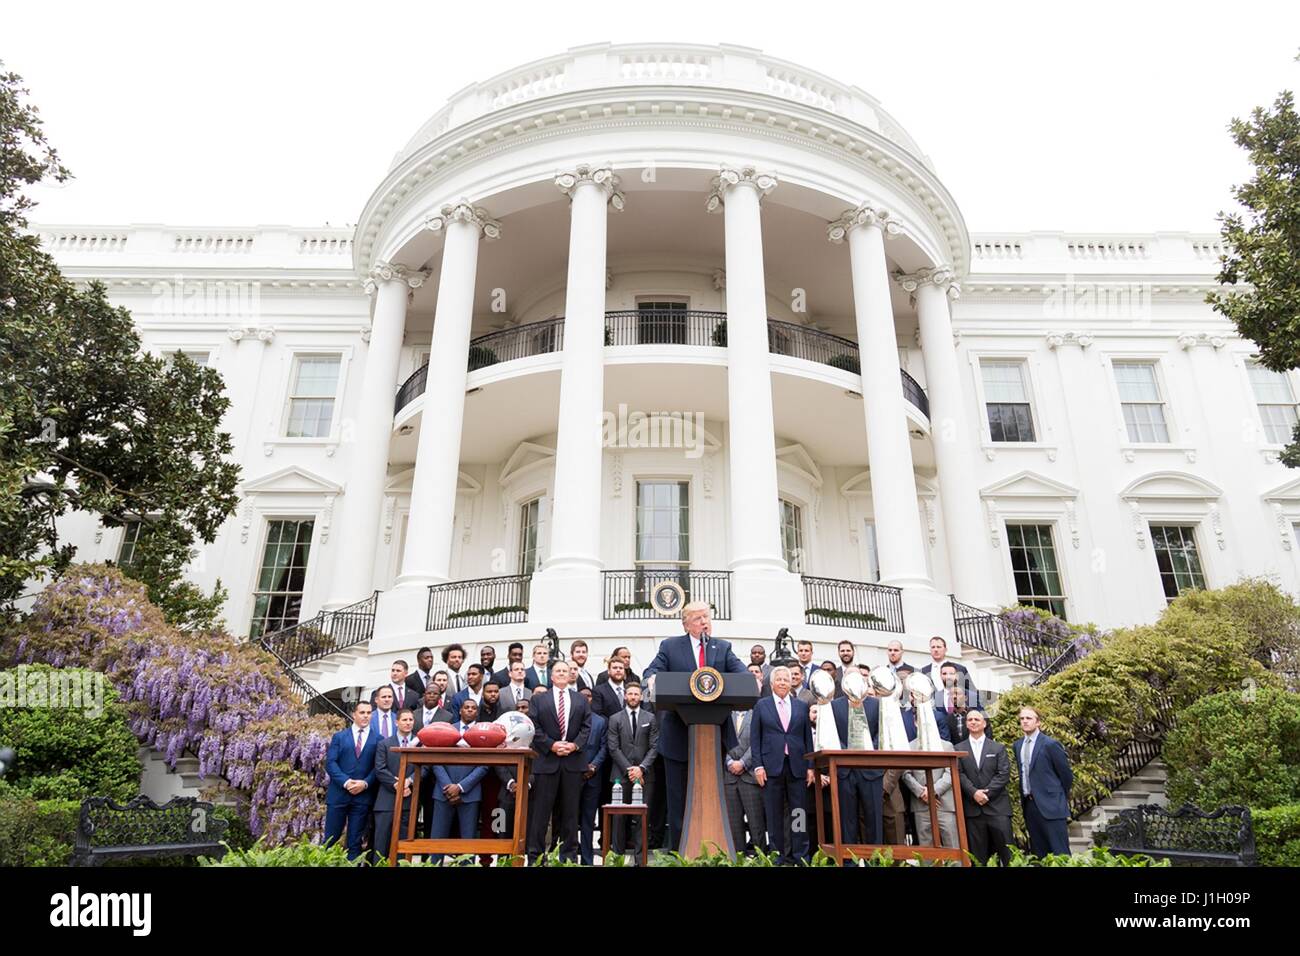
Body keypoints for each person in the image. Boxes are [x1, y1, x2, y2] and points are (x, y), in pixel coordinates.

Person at [642, 601, 748, 850]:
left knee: (711, 797)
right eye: (699, 618)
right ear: (686, 623)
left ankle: (715, 849)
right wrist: (653, 679)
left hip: (713, 737)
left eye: (707, 617)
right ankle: (680, 851)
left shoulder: (722, 647)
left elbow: (741, 674)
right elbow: (651, 671)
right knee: (679, 799)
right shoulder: (670, 646)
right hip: (678, 736)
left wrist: (748, 678)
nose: (704, 622)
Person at [527, 661, 591, 863]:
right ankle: (535, 856)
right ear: (551, 676)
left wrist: (574, 746)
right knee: (541, 814)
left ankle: (568, 857)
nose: (562, 673)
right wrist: (552, 745)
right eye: (558, 671)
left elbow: (587, 727)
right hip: (547, 762)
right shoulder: (538, 699)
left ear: (571, 675)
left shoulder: (581, 699)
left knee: (570, 814)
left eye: (565, 670)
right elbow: (533, 727)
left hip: (572, 763)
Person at [749, 666, 814, 864]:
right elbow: (755, 738)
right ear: (772, 683)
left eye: (786, 679)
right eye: (779, 679)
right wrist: (758, 766)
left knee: (798, 813)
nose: (783, 682)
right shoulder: (762, 705)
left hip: (797, 767)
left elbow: (807, 738)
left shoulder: (801, 706)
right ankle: (777, 856)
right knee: (774, 813)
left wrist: (810, 766)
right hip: (771, 768)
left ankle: (800, 855)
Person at [428, 698, 488, 864]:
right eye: (466, 707)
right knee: (437, 839)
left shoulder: (483, 733)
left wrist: (461, 787)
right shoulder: (446, 730)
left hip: (470, 793)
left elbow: (485, 765)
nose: (469, 710)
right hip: (443, 791)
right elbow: (436, 759)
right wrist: (448, 786)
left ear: (477, 712)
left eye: (473, 708)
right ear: (460, 710)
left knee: (467, 841)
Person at [902, 677, 959, 849]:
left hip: (944, 803)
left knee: (952, 845)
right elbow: (906, 774)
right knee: (926, 849)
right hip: (920, 804)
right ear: (916, 724)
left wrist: (933, 791)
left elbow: (951, 773)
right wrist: (922, 793)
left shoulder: (947, 745)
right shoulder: (909, 747)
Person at [828, 674, 883, 850]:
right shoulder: (834, 706)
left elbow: (881, 734)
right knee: (847, 819)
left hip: (871, 769)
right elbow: (833, 735)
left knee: (874, 818)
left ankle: (875, 860)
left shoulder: (876, 704)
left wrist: (868, 748)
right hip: (844, 769)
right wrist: (848, 751)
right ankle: (849, 860)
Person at [606, 681, 658, 860]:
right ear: (625, 696)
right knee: (619, 819)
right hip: (621, 776)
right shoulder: (615, 719)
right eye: (630, 694)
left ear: (641, 697)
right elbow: (613, 748)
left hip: (645, 776)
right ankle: (617, 859)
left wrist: (641, 768)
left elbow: (654, 747)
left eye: (636, 694)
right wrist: (630, 770)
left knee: (643, 819)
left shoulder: (650, 718)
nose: (633, 697)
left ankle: (640, 860)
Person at [324, 699, 379, 862]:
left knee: (355, 842)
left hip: (362, 796)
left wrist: (365, 783)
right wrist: (346, 782)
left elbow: (378, 767)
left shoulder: (378, 739)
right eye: (362, 713)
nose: (366, 716)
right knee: (330, 840)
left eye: (369, 713)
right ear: (354, 714)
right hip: (339, 794)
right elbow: (331, 763)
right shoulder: (340, 737)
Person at [1014, 706, 1073, 856]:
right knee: (1039, 854)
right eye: (1022, 718)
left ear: (1038, 722)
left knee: (1060, 854)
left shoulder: (1050, 744)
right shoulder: (1018, 745)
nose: (1025, 721)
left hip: (1051, 806)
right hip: (1030, 805)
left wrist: (1056, 797)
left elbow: (1066, 776)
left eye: (1029, 718)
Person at [956, 709, 1012, 865]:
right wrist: (974, 793)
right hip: (973, 811)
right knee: (978, 857)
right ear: (966, 724)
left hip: (997, 809)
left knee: (1007, 854)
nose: (973, 722)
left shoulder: (998, 748)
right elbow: (958, 774)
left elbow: (1003, 774)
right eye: (970, 720)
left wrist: (986, 794)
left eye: (977, 720)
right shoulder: (958, 748)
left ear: (984, 723)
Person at [724, 676, 766, 856]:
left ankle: (761, 856)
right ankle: (738, 856)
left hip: (749, 775)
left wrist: (742, 762)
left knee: (756, 821)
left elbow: (759, 741)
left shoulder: (758, 712)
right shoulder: (725, 714)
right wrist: (729, 762)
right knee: (734, 823)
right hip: (729, 776)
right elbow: (720, 740)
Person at [372, 708, 420, 862]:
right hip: (386, 801)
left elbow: (424, 769)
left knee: (403, 844)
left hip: (408, 800)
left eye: (410, 720)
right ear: (396, 722)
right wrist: (397, 784)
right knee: (381, 843)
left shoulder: (419, 744)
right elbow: (380, 769)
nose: (408, 723)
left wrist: (409, 781)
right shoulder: (384, 744)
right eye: (404, 720)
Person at [576, 687, 607, 865]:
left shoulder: (600, 721)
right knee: (571, 819)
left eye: (588, 696)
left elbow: (604, 747)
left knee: (588, 819)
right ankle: (570, 857)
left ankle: (587, 859)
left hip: (593, 777)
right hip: (573, 775)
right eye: (582, 696)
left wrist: (593, 766)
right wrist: (580, 767)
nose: (585, 698)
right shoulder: (571, 719)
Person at [920, 636, 973, 702]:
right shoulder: (923, 672)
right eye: (933, 647)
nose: (936, 650)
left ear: (945, 649)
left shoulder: (960, 669)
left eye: (939, 647)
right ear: (930, 650)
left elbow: (972, 690)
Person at [938, 662, 972, 744]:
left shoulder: (972, 695)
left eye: (951, 673)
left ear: (957, 675)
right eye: (944, 673)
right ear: (940, 676)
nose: (948, 676)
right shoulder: (934, 696)